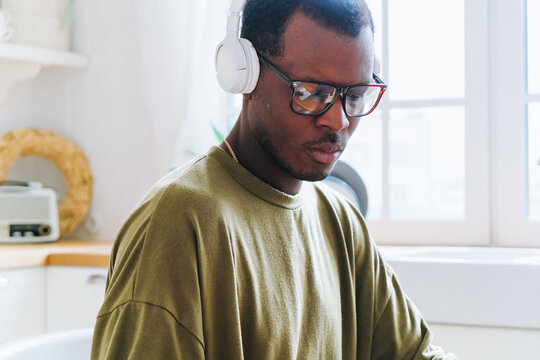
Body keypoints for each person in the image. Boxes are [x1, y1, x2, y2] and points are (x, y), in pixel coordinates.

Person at [91, 0, 458, 359]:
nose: (339, 121)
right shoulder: (179, 222)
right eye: (312, 94)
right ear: (245, 75)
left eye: (356, 96)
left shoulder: (341, 224)